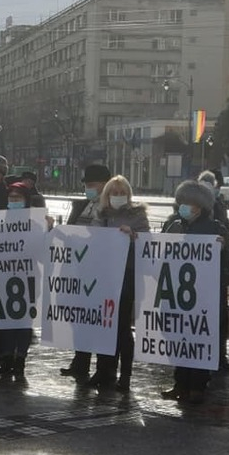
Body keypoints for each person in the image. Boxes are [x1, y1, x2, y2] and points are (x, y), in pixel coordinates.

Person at [159, 180, 229, 403]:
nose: (185, 206)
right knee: (177, 340)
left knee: (198, 341)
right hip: (175, 295)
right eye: (182, 201)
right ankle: (179, 382)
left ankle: (198, 385)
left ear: (201, 206)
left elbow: (228, 266)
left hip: (203, 297)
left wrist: (221, 249)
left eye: (190, 203)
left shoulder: (215, 229)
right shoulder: (172, 224)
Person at [88, 175, 149, 392]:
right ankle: (104, 370)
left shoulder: (137, 215)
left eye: (122, 193)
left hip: (126, 275)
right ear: (107, 195)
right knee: (103, 323)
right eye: (115, 193)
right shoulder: (101, 214)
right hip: (104, 276)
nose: (118, 196)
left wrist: (132, 236)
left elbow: (147, 242)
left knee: (122, 326)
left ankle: (125, 375)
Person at [59, 163, 111, 380]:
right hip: (79, 269)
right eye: (86, 185)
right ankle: (80, 362)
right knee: (80, 319)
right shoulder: (82, 206)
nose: (88, 188)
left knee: (100, 321)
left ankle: (104, 369)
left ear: (104, 185)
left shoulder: (110, 208)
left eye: (92, 184)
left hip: (100, 272)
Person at [0, 182, 40, 378]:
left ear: (26, 201)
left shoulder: (35, 222)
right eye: (11, 198)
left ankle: (20, 358)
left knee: (23, 321)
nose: (13, 201)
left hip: (28, 276)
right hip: (5, 275)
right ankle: (6, 357)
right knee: (6, 319)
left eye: (17, 198)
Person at [198, 169, 229, 371]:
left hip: (215, 273)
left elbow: (226, 237)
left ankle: (219, 357)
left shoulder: (219, 208)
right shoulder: (180, 214)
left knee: (219, 319)